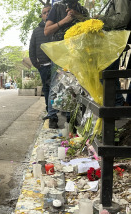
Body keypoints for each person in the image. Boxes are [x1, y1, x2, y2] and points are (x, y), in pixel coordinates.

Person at [44, 0, 88, 128]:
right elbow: (47, 31)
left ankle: (72, 117)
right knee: (56, 83)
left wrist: (79, 16)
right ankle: (52, 116)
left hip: (78, 52)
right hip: (60, 52)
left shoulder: (82, 9)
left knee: (76, 85)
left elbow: (90, 25)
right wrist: (65, 20)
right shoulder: (57, 7)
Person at [96, 0, 131, 106]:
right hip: (114, 41)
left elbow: (122, 19)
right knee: (110, 74)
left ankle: (117, 105)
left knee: (106, 73)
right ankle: (119, 104)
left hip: (116, 41)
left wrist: (101, 19)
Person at [29, 5, 52, 117]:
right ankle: (50, 113)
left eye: (49, 11)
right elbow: (31, 48)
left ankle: (62, 113)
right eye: (44, 12)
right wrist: (36, 64)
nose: (47, 14)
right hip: (43, 66)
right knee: (47, 89)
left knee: (60, 88)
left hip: (57, 65)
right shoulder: (37, 31)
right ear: (42, 16)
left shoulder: (57, 27)